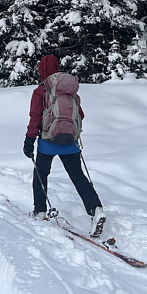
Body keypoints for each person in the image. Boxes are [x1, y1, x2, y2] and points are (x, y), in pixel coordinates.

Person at [23, 54, 104, 234]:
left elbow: (35, 118)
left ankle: (40, 210)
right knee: (78, 176)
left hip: (47, 141)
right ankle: (96, 209)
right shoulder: (70, 90)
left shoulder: (41, 91)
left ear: (41, 71)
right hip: (70, 142)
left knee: (40, 174)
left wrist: (29, 140)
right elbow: (80, 115)